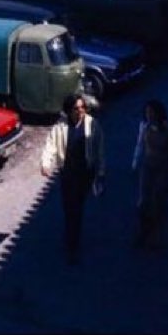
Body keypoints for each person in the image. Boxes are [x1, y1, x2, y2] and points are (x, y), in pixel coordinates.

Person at [40, 91, 106, 264]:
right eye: (77, 108)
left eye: (83, 107)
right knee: (69, 209)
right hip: (67, 174)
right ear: (69, 110)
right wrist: (46, 163)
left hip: (84, 174)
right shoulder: (61, 127)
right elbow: (51, 145)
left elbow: (99, 150)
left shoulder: (92, 125)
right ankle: (71, 236)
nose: (81, 111)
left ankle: (72, 245)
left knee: (76, 209)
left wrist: (100, 172)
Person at [132, 99, 168, 249]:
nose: (149, 115)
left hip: (164, 166)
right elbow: (140, 144)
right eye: (147, 112)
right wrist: (135, 162)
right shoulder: (144, 126)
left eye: (152, 112)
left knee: (160, 199)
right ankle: (144, 231)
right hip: (149, 165)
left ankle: (157, 235)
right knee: (143, 200)